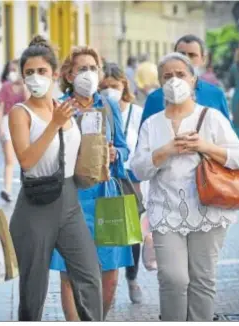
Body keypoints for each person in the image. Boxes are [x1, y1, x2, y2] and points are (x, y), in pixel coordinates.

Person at [131, 52, 239, 321]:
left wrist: (204, 146)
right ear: (160, 83)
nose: (174, 81)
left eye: (180, 74)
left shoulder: (212, 117)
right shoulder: (152, 124)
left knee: (202, 279)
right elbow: (138, 168)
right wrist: (166, 151)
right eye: (167, 76)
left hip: (208, 209)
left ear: (193, 79)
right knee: (172, 278)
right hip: (165, 212)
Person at [8, 35, 103, 322]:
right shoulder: (20, 113)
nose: (35, 78)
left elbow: (71, 154)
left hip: (70, 201)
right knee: (33, 291)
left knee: (89, 276)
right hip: (36, 204)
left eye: (42, 72)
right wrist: (54, 125)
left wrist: (100, 157)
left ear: (55, 74)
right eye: (29, 73)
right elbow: (26, 159)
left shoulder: (66, 108)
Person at [49, 46, 132, 321]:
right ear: (69, 75)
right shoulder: (58, 107)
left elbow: (124, 147)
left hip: (106, 197)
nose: (88, 74)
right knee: (71, 274)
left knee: (110, 276)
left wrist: (115, 154)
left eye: (93, 68)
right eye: (81, 69)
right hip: (70, 198)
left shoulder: (108, 106)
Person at [100, 62, 145, 305]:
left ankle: (132, 278)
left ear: (124, 85)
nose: (109, 91)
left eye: (114, 86)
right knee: (106, 230)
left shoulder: (136, 113)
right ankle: (107, 281)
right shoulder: (98, 110)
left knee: (130, 233)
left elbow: (143, 146)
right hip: (104, 177)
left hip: (129, 179)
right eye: (104, 86)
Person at [140, 35, 230, 128]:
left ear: (203, 59)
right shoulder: (155, 98)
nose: (186, 59)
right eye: (181, 54)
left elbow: (228, 136)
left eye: (192, 55)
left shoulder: (215, 95)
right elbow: (144, 136)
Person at [0, 60, 27, 202]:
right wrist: (0, 127)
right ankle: (6, 189)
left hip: (22, 122)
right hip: (7, 121)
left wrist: (24, 85)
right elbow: (1, 108)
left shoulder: (25, 87)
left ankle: (27, 188)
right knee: (9, 159)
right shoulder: (5, 87)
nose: (12, 72)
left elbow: (28, 101)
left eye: (15, 69)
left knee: (25, 158)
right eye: (10, 70)